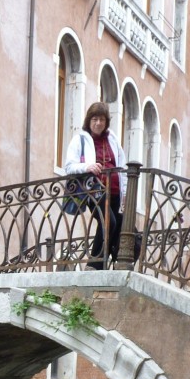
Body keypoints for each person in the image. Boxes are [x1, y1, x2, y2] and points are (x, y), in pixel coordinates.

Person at [64, 101, 128, 270]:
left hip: (115, 192)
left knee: (119, 224)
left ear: (106, 122)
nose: (98, 123)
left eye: (101, 119)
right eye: (94, 119)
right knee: (110, 223)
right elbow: (69, 166)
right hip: (95, 189)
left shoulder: (113, 140)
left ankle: (107, 262)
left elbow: (122, 167)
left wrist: (125, 192)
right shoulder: (80, 140)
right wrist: (87, 167)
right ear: (89, 120)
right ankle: (94, 264)